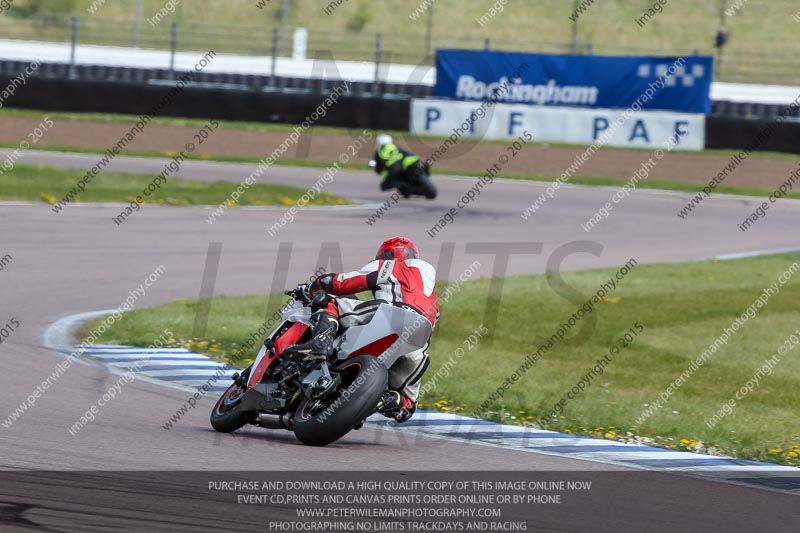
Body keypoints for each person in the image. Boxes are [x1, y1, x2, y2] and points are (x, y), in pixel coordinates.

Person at [283, 237, 439, 423]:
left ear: (388, 255)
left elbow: (340, 283)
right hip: (419, 341)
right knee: (406, 405)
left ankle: (320, 344)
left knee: (328, 300)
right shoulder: (432, 295)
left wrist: (311, 288)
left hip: (393, 315)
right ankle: (376, 401)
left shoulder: (390, 266)